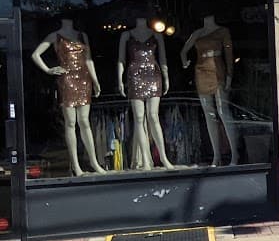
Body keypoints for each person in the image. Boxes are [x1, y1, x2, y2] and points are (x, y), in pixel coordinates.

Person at [30, 19, 106, 176]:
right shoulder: (55, 36)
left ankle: (94, 162)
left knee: (84, 121)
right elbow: (35, 54)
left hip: (84, 79)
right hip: (67, 79)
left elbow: (88, 59)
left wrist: (95, 80)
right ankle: (76, 166)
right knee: (71, 122)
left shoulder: (82, 36)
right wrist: (48, 70)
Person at [118, 18, 176, 171]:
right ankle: (145, 159)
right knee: (139, 118)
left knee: (153, 116)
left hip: (153, 74)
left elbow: (162, 58)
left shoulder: (156, 35)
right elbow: (121, 59)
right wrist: (120, 79)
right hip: (134, 75)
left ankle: (163, 157)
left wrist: (166, 77)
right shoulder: (126, 35)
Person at [182, 16, 240, 166]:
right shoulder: (197, 33)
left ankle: (235, 154)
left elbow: (229, 54)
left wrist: (229, 76)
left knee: (223, 111)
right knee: (209, 114)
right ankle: (216, 155)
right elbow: (184, 51)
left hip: (217, 69)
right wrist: (184, 61)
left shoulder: (222, 31)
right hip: (201, 71)